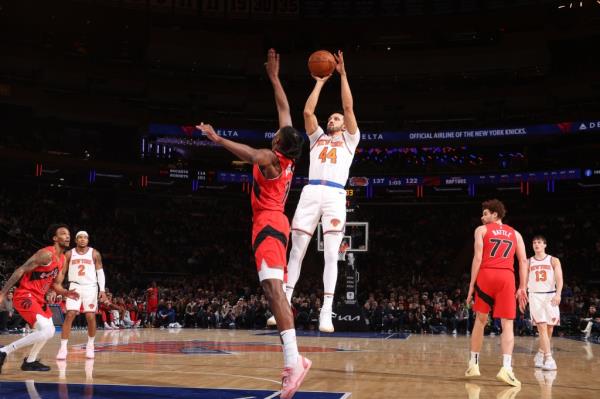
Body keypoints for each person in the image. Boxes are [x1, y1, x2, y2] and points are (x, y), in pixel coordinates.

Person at [196, 48, 309, 399]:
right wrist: (274, 78)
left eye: (276, 136)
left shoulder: (271, 160)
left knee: (274, 292)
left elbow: (249, 153)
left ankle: (294, 361)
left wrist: (217, 139)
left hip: (269, 224)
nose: (274, 135)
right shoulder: (287, 155)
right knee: (272, 292)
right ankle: (293, 359)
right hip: (276, 223)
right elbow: (285, 111)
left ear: (279, 145)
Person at [268, 50, 360, 333]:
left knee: (332, 254)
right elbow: (308, 112)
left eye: (335, 118)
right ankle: (284, 303)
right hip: (310, 192)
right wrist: (320, 82)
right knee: (296, 251)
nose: (332, 120)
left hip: (334, 195)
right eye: (330, 118)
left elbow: (347, 108)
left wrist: (343, 75)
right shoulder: (318, 137)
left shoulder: (350, 139)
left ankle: (327, 311)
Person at [465, 200, 529, 387]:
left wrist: (471, 285)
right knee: (507, 324)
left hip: (486, 274)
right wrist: (522, 286)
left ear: (495, 214)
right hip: (507, 278)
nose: (482, 217)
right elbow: (523, 261)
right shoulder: (516, 234)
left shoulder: (481, 230)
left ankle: (474, 364)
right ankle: (507, 369)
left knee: (480, 320)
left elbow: (477, 257)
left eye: (485, 213)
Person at [0, 224, 79, 373]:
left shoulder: (62, 259)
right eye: (63, 233)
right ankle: (4, 351)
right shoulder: (46, 254)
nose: (67, 236)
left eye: (68, 234)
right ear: (55, 238)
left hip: (39, 298)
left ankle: (30, 361)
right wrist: (3, 293)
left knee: (48, 330)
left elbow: (56, 285)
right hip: (25, 294)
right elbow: (21, 269)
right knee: (47, 330)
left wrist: (65, 293)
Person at [55, 231, 107, 360]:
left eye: (85, 237)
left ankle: (90, 345)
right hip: (75, 286)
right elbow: (62, 271)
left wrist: (102, 290)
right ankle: (63, 348)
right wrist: (58, 284)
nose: (83, 239)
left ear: (88, 240)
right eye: (80, 237)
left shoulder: (95, 253)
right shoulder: (69, 253)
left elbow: (100, 272)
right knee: (70, 314)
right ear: (76, 240)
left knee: (90, 316)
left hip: (91, 287)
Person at [527, 235, 563, 371]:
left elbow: (559, 279)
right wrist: (523, 293)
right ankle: (549, 358)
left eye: (539, 242)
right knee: (541, 327)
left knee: (549, 329)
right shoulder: (528, 261)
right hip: (535, 296)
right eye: (534, 242)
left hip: (551, 296)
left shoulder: (553, 260)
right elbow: (524, 281)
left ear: (545, 245)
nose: (536, 244)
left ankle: (540, 353)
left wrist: (558, 294)